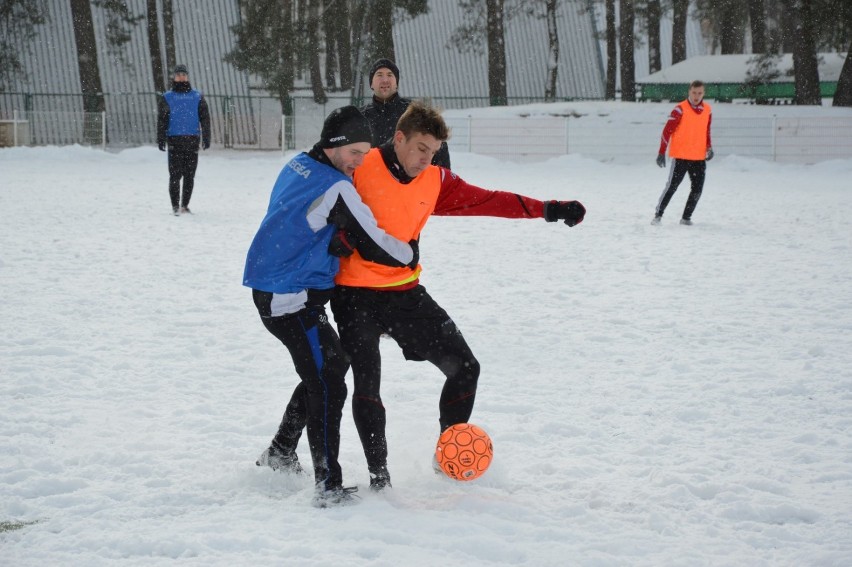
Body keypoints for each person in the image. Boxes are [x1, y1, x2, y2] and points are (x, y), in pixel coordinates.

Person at [269, 101, 583, 491]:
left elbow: (489, 200)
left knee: (466, 367)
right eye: (421, 148)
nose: (426, 159)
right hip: (354, 297)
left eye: (433, 152)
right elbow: (312, 203)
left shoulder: (435, 180)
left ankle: (448, 455)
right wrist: (337, 241)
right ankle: (376, 478)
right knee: (348, 377)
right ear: (399, 138)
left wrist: (549, 209)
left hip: (405, 293)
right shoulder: (358, 166)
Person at [243, 106, 419, 508]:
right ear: (335, 145)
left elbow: (299, 218)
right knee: (328, 382)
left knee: (330, 365)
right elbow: (375, 240)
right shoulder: (338, 187)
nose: (361, 162)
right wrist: (409, 253)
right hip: (290, 296)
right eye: (356, 153)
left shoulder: (299, 164)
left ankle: (281, 452)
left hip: (274, 284)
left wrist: (333, 240)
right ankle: (327, 484)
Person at [361, 58, 452, 169]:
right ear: (371, 84)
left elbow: (438, 148)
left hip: (411, 183)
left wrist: (442, 181)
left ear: (396, 83)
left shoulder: (417, 112)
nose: (385, 80)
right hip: (372, 182)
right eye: (379, 75)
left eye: (390, 75)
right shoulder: (360, 116)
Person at [652, 80, 713, 226]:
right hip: (681, 156)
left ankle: (686, 218)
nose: (696, 96)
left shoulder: (708, 110)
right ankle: (658, 215)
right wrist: (661, 152)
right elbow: (667, 131)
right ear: (689, 92)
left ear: (704, 93)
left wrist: (709, 147)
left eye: (699, 93)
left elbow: (707, 131)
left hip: (698, 157)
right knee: (672, 186)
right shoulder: (680, 109)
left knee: (698, 189)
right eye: (694, 92)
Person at [157, 64, 211, 216]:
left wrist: (206, 136)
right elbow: (162, 120)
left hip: (192, 140)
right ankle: (175, 206)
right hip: (174, 140)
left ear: (187, 76)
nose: (181, 76)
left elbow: (205, 118)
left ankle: (184, 205)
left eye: (184, 74)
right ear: (174, 77)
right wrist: (161, 138)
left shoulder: (197, 97)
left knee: (189, 175)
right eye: (179, 74)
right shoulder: (167, 97)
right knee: (175, 175)